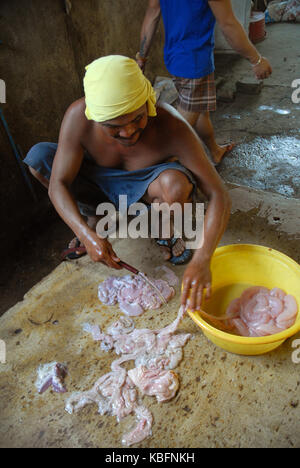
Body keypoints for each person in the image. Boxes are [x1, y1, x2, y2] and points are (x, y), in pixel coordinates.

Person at [24, 55, 231, 311]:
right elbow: (58, 184)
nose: (129, 132)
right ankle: (93, 222)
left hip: (146, 183)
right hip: (99, 179)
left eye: (137, 119)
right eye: (114, 127)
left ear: (148, 102)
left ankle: (162, 227)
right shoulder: (78, 117)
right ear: (94, 116)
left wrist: (203, 258)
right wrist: (84, 234)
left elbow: (219, 194)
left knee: (175, 187)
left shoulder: (171, 125)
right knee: (39, 158)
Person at [137, 0, 273, 164]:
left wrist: (142, 57)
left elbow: (152, 14)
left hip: (175, 56)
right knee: (184, 121)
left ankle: (214, 151)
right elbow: (228, 25)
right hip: (194, 60)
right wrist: (256, 59)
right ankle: (157, 163)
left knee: (200, 110)